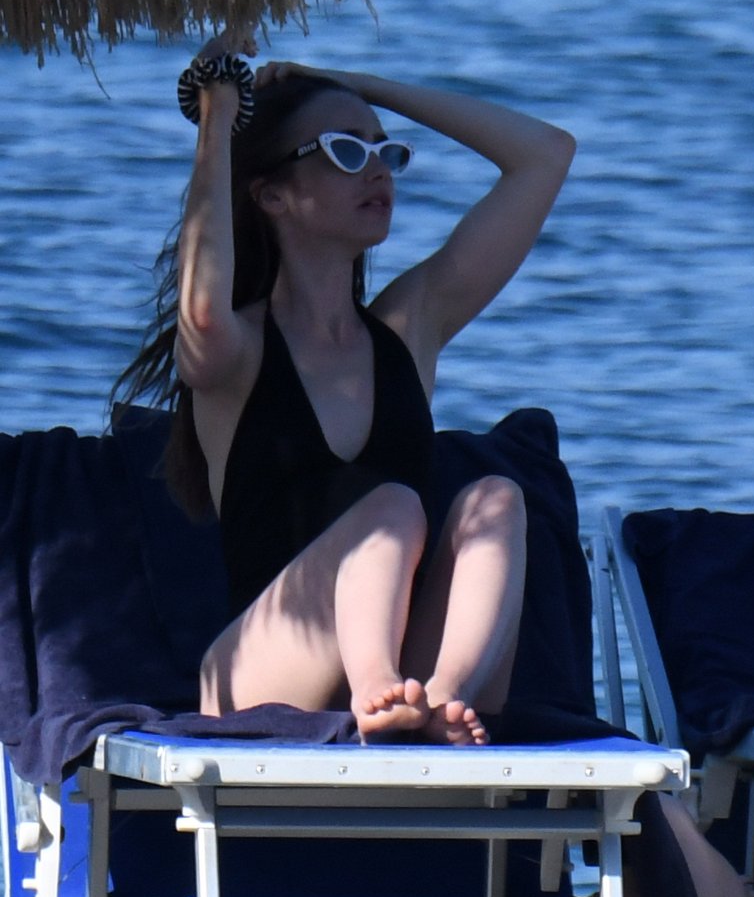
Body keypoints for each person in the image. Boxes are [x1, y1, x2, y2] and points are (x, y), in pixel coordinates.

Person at [116, 37, 575, 745]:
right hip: (259, 672)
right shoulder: (237, 350)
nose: (378, 170)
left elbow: (545, 154)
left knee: (497, 497)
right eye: (345, 151)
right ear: (272, 195)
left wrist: (352, 83)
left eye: (384, 151)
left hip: (415, 673)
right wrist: (217, 122)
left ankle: (444, 701)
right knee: (391, 506)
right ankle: (376, 693)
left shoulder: (408, 331)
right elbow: (201, 311)